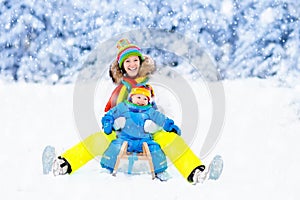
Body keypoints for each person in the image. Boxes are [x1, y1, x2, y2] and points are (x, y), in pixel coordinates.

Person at [53, 38, 206, 184]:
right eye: (127, 61)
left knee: (173, 141)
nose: (132, 64)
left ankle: (195, 172)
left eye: (135, 60)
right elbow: (108, 113)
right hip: (123, 133)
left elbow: (167, 109)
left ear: (140, 62)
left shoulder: (153, 84)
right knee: (96, 139)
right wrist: (115, 125)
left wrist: (155, 125)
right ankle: (65, 164)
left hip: (149, 132)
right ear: (122, 65)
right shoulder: (117, 89)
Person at [100, 84, 180, 178]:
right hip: (125, 139)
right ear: (131, 97)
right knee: (115, 146)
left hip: (144, 140)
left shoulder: (150, 110)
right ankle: (107, 167)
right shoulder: (123, 107)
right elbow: (110, 114)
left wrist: (170, 126)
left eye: (145, 99)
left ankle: (160, 171)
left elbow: (161, 119)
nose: (142, 101)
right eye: (139, 97)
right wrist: (107, 123)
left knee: (155, 148)